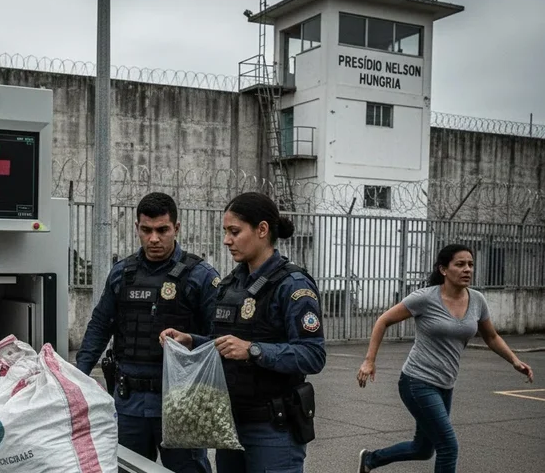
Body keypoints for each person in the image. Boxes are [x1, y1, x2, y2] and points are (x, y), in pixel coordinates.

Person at [160, 192, 327, 473]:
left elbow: (313, 354)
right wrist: (192, 341)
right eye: (226, 232)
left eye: (234, 232)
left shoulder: (292, 285)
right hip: (231, 425)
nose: (227, 240)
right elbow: (226, 343)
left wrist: (253, 349)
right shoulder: (230, 284)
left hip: (273, 428)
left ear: (262, 230)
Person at [356, 243, 535, 473]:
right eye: (460, 264)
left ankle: (370, 459)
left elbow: (491, 336)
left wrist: (514, 360)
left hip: (445, 384)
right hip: (416, 382)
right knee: (448, 447)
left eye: (470, 264)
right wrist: (369, 360)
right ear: (443, 269)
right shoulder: (425, 298)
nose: (467, 269)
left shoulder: (477, 300)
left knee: (423, 449)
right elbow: (383, 320)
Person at [76, 192, 219, 473]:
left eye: (162, 230)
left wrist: (192, 341)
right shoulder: (122, 274)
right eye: (147, 230)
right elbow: (99, 326)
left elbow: (218, 339)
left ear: (176, 228)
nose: (154, 239)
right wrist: (77, 377)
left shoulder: (200, 275)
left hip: (179, 403)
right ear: (137, 228)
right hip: (128, 403)